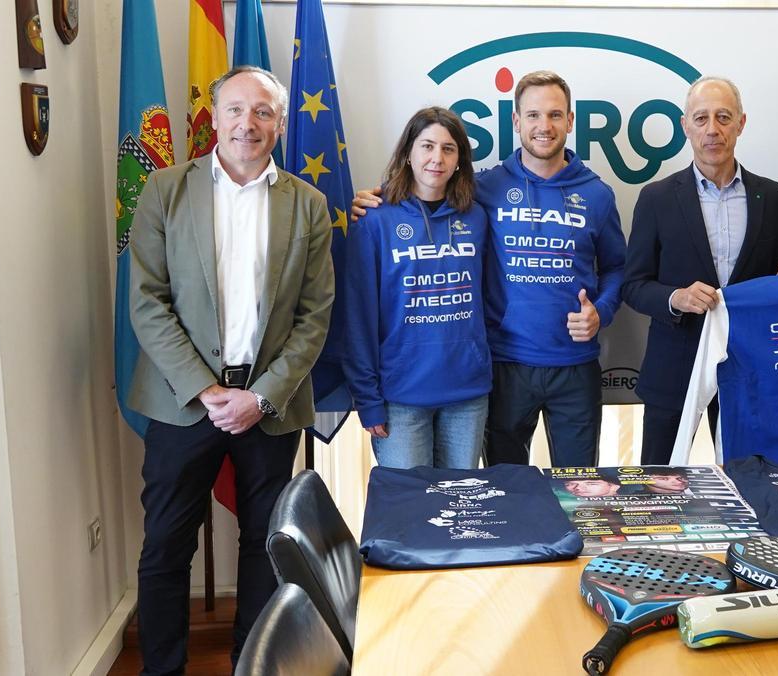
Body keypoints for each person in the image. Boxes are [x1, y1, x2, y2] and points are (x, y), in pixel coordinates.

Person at [127, 65, 334, 672]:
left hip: (268, 409)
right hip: (181, 400)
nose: (249, 123)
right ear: (213, 118)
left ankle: (253, 663)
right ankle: (162, 669)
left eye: (264, 112)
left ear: (279, 124)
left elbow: (314, 317)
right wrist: (206, 389)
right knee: (165, 545)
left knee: (264, 548)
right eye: (237, 110)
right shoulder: (165, 190)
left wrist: (260, 397)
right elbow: (147, 300)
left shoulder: (310, 204)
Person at [354, 71, 626, 468]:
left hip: (575, 366)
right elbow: (427, 188)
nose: (543, 126)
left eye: (554, 115)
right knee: (503, 495)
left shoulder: (597, 194)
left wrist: (602, 310)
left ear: (570, 121)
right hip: (504, 366)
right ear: (516, 122)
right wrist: (375, 196)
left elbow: (617, 267)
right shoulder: (484, 189)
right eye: (533, 115)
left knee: (578, 488)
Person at [622, 76, 778, 465]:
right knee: (657, 489)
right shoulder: (657, 198)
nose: (712, 129)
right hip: (674, 369)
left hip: (748, 369)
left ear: (741, 124)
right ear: (685, 126)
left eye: (723, 117)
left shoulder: (772, 196)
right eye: (700, 118)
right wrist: (676, 298)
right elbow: (634, 286)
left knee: (749, 483)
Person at [344, 107, 491, 469]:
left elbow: (488, 300)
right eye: (427, 146)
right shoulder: (374, 220)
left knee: (461, 510)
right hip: (400, 398)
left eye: (448, 149)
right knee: (409, 512)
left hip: (467, 395)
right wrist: (367, 398)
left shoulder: (476, 217)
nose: (436, 159)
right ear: (408, 153)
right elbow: (357, 316)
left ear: (460, 159)